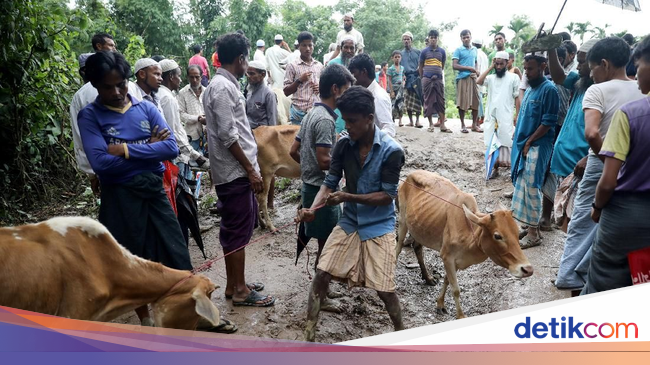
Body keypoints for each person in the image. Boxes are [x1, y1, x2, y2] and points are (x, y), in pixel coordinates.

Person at [78, 51, 191, 327]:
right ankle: (146, 320)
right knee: (131, 259)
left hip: (154, 192)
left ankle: (184, 314)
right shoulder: (89, 116)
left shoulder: (147, 108)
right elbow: (101, 164)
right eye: (108, 86)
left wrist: (125, 149)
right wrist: (148, 148)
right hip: (120, 197)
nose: (117, 92)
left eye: (121, 84)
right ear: (94, 85)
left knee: (175, 252)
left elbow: (171, 148)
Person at [296, 86, 405, 343]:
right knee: (322, 273)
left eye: (353, 121)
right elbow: (330, 181)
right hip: (350, 221)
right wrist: (313, 208)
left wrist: (347, 197)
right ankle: (308, 334)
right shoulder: (344, 144)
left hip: (379, 224)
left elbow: (387, 196)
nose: (348, 126)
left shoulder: (392, 151)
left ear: (369, 118)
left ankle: (402, 332)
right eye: (345, 120)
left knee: (384, 289)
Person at [554, 37, 644, 292]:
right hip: (634, 167)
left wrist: (609, 160)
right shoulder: (641, 89)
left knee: (583, 222)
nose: (590, 74)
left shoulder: (597, 90)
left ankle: (571, 277)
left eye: (592, 67)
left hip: (602, 164)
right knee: (612, 223)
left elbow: (592, 133)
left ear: (604, 64)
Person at [203, 32, 275, 307]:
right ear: (242, 59)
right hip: (234, 173)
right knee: (238, 231)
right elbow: (227, 134)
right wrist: (251, 170)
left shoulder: (225, 85)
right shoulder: (222, 87)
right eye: (247, 58)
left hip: (235, 171)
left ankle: (235, 285)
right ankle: (242, 291)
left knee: (235, 230)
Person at [583, 35, 650, 294]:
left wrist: (597, 206)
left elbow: (609, 181)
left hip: (625, 215)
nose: (637, 72)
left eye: (640, 64)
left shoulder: (631, 114)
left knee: (605, 278)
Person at [290, 64, 354, 270]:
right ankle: (321, 292)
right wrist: (349, 166)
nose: (347, 95)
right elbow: (324, 160)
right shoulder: (326, 120)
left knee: (323, 243)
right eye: (346, 89)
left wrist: (308, 167)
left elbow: (293, 151)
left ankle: (321, 286)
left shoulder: (311, 113)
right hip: (322, 191)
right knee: (327, 245)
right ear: (335, 89)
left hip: (309, 186)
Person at [539, 40, 599, 236]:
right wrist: (550, 47)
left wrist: (589, 157)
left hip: (580, 160)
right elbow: (558, 76)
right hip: (563, 152)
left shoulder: (601, 91)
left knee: (575, 211)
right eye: (579, 62)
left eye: (583, 63)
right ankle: (547, 220)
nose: (579, 66)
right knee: (553, 188)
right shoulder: (580, 82)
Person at [70, 35, 138, 197]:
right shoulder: (132, 88)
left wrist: (92, 172)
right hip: (137, 167)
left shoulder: (81, 95)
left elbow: (81, 139)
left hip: (108, 170)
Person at [511, 52, 559, 248]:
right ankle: (531, 226)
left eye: (530, 69)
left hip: (538, 146)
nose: (527, 73)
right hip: (526, 145)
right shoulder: (531, 88)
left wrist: (530, 141)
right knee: (522, 184)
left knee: (532, 186)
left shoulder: (550, 90)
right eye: (526, 69)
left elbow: (548, 122)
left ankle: (534, 235)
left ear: (543, 67)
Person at [158, 59, 208, 182]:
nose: (180, 80)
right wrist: (195, 155)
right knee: (181, 182)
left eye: (197, 77)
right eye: (179, 76)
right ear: (170, 76)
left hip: (199, 137)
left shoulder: (164, 94)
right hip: (180, 147)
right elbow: (173, 131)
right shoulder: (169, 98)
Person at [477, 51, 520, 177]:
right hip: (491, 116)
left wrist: (517, 115)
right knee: (492, 143)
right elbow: (479, 81)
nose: (499, 66)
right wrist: (490, 67)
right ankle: (494, 169)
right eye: (497, 64)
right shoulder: (490, 78)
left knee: (507, 142)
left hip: (506, 116)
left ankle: (511, 170)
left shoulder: (514, 78)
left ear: (507, 63)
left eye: (501, 64)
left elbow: (517, 97)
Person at [348, 53, 396, 137]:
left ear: (363, 72)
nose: (351, 78)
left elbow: (389, 129)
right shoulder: (363, 93)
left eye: (353, 73)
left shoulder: (378, 97)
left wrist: (369, 141)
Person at [284, 31, 323, 125]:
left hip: (316, 111)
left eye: (310, 45)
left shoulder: (319, 66)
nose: (307, 48)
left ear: (313, 46)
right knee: (298, 139)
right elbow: (286, 91)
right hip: (298, 112)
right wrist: (299, 80)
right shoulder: (292, 66)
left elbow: (325, 89)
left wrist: (320, 88)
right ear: (299, 47)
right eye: (304, 45)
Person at [453, 30, 482, 133]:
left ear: (471, 37)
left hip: (473, 78)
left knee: (476, 100)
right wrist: (468, 68)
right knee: (462, 102)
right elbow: (454, 65)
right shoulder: (458, 50)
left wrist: (476, 70)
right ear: (461, 39)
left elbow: (475, 62)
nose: (466, 39)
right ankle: (463, 125)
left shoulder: (474, 49)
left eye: (467, 37)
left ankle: (474, 124)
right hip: (462, 78)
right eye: (464, 37)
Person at [419, 29, 448, 133]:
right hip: (427, 79)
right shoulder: (424, 52)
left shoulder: (442, 52)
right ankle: (430, 124)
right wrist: (424, 78)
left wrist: (437, 74)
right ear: (429, 38)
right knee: (428, 101)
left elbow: (442, 65)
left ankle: (442, 124)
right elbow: (421, 66)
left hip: (438, 80)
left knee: (441, 101)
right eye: (431, 37)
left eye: (435, 37)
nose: (433, 39)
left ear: (438, 39)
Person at [177, 65, 207, 156]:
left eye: (197, 77)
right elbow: (181, 114)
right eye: (191, 77)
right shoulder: (182, 93)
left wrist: (207, 120)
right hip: (191, 135)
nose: (194, 80)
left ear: (201, 77)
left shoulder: (207, 91)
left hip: (207, 134)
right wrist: (197, 118)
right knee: (192, 161)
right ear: (187, 77)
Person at [400, 31, 423, 128]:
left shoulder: (418, 52)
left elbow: (422, 63)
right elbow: (399, 66)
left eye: (408, 39)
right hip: (406, 78)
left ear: (411, 40)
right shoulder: (400, 54)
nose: (406, 41)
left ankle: (418, 120)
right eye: (404, 39)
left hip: (416, 77)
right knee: (407, 99)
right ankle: (411, 121)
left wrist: (420, 71)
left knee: (417, 98)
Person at [387, 51, 406, 126]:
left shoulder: (402, 68)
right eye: (395, 57)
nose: (397, 58)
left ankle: (400, 120)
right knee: (393, 104)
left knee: (401, 104)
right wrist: (391, 91)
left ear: (401, 58)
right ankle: (393, 119)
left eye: (399, 57)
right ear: (392, 58)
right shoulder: (390, 69)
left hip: (400, 88)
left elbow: (403, 77)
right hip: (394, 88)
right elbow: (389, 81)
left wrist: (403, 82)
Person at [474, 38, 489, 126]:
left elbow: (477, 66)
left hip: (478, 78)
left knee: (477, 99)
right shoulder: (484, 55)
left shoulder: (476, 53)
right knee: (479, 98)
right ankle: (480, 117)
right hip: (483, 79)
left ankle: (479, 118)